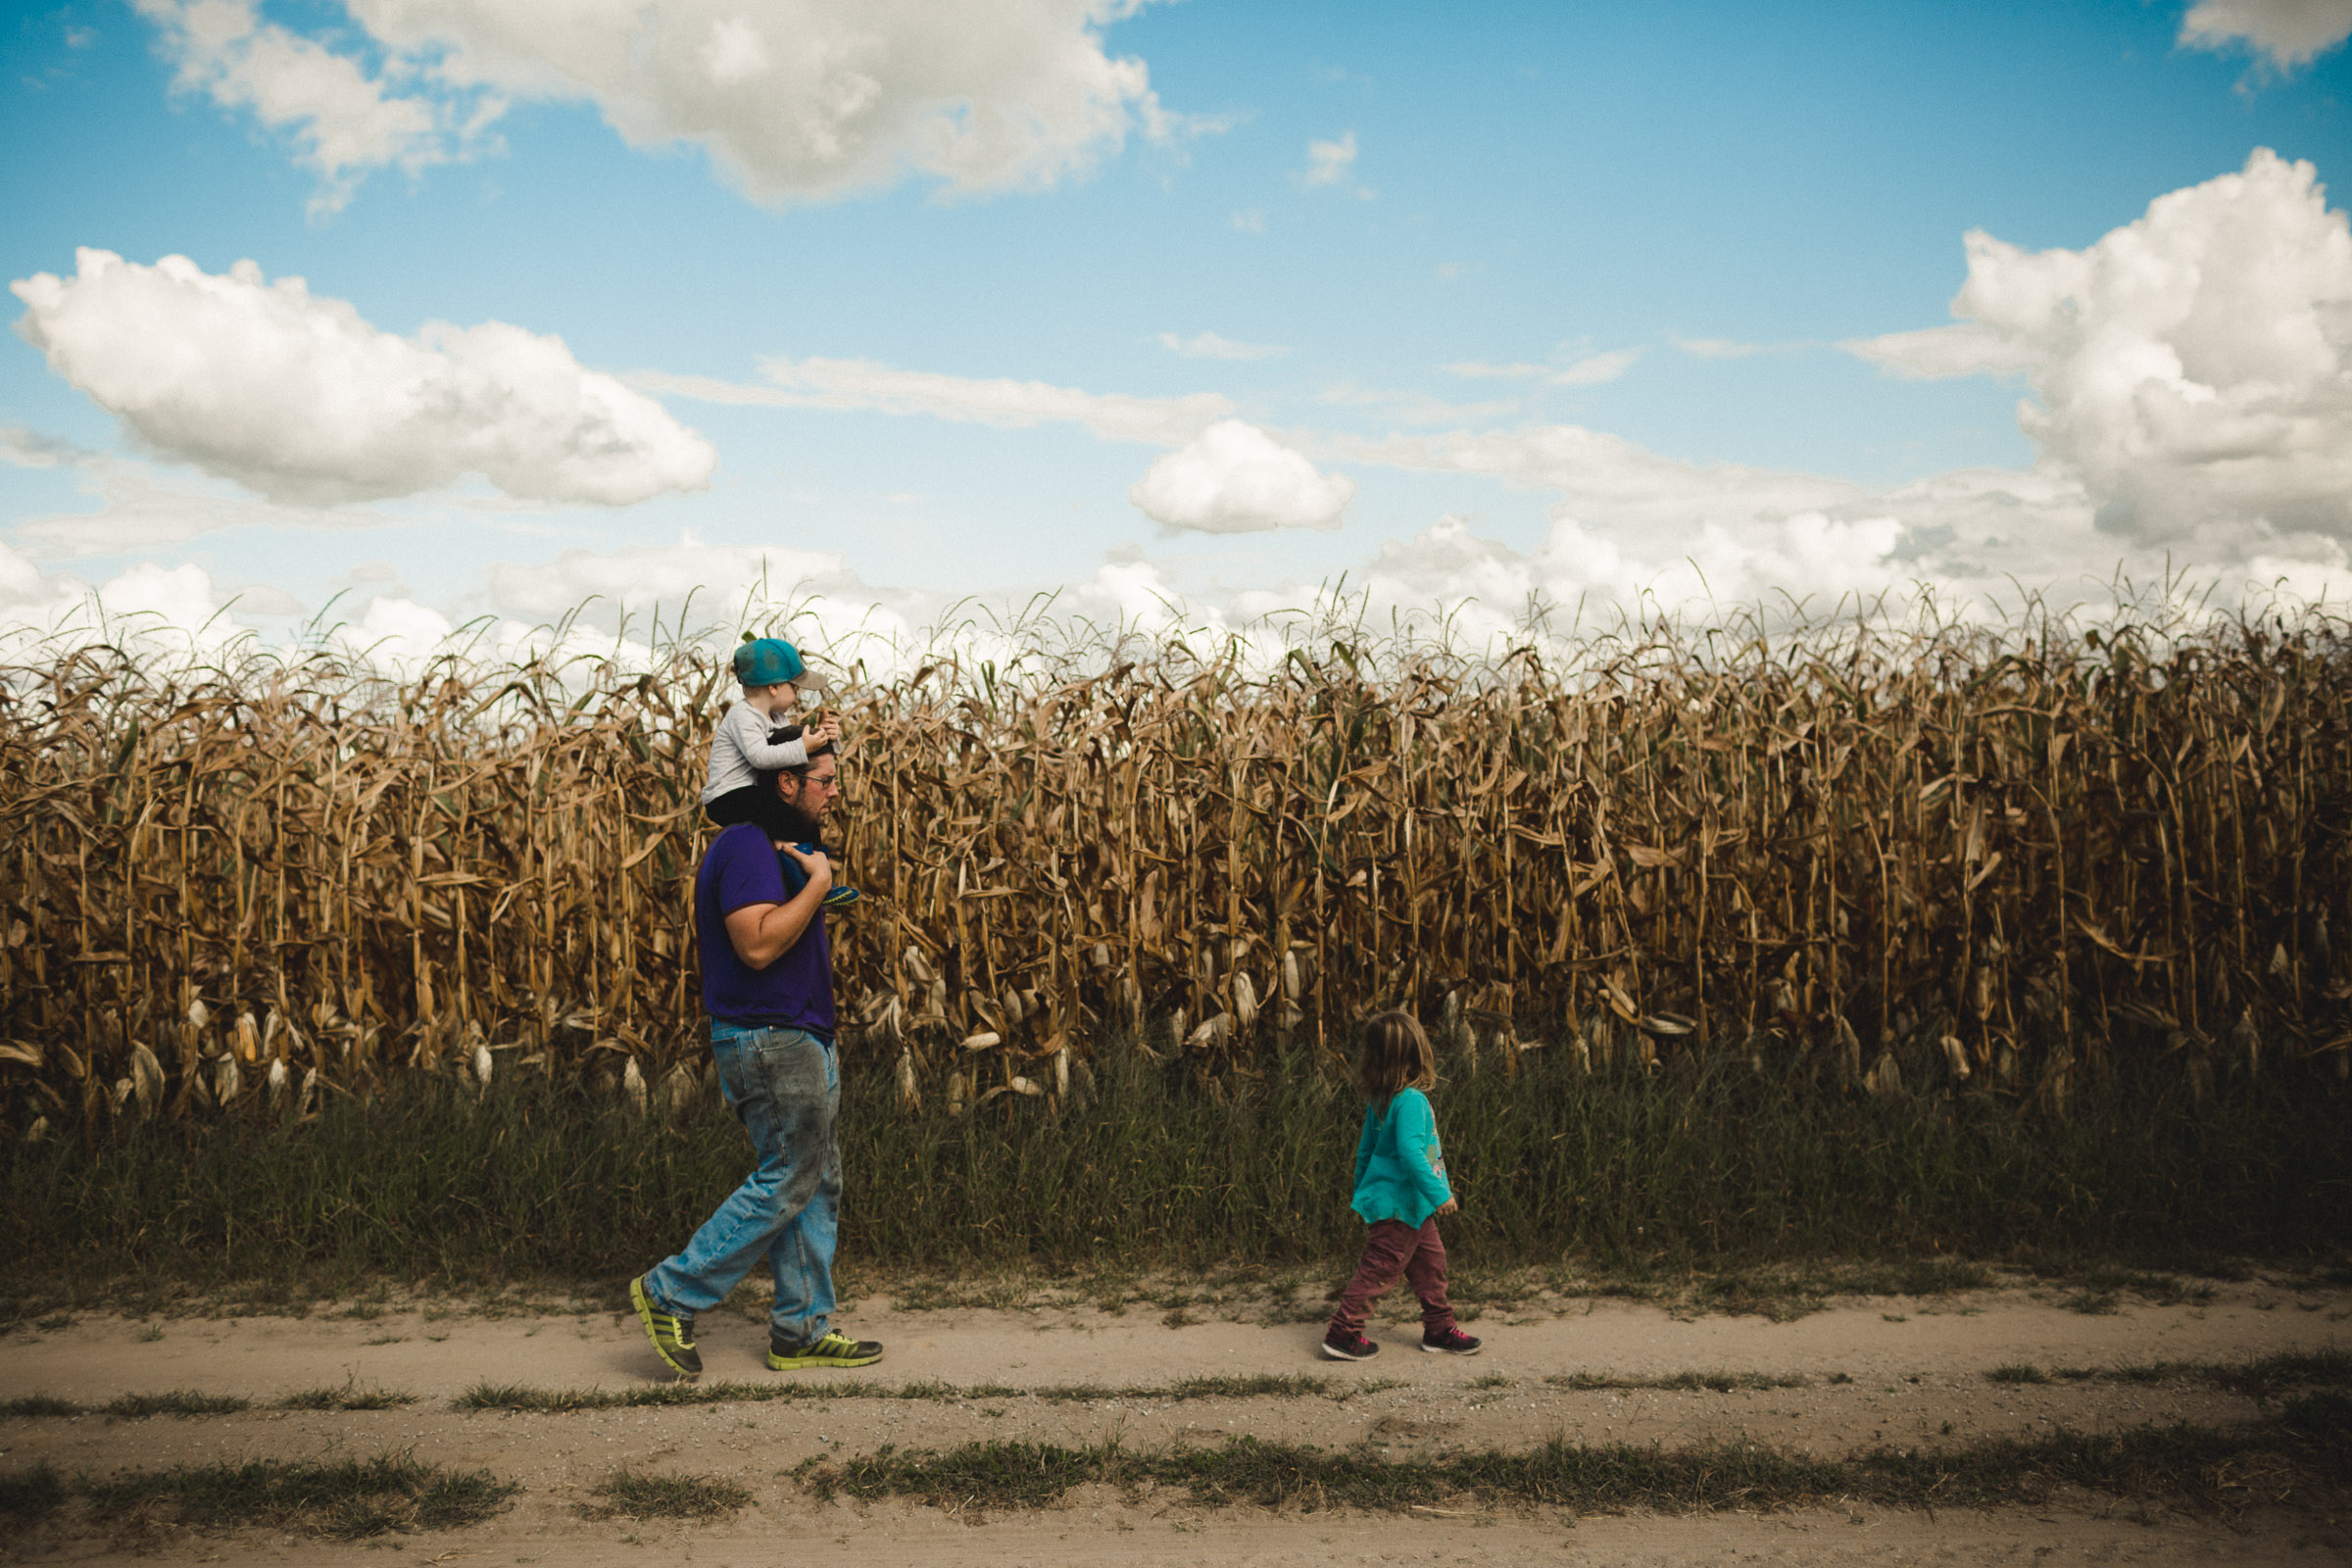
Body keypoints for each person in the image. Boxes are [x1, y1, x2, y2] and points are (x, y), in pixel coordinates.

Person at [629, 741, 883, 1376]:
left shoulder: (776, 846)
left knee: (815, 1179)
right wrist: (820, 885)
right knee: (790, 1176)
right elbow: (758, 945)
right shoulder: (744, 844)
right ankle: (670, 1292)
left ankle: (800, 1329)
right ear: (786, 783)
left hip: (801, 1035)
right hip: (770, 1037)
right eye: (823, 780)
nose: (833, 792)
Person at [1319, 1010, 1483, 1360]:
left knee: (1431, 1265)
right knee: (1379, 1268)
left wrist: (1364, 1190)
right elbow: (1411, 1154)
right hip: (1403, 1205)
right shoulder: (1411, 1101)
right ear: (1417, 1054)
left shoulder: (1381, 1099)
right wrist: (1440, 1194)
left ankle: (1439, 1328)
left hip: (1411, 1206)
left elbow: (1365, 1152)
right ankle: (1343, 1333)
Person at [704, 635, 857, 909]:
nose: (798, 694)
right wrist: (802, 745)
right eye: (795, 688)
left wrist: (828, 739)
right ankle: (811, 884)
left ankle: (815, 875)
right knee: (791, 819)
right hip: (728, 798)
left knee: (800, 820)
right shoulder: (743, 716)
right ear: (774, 687)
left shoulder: (776, 718)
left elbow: (794, 754)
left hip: (750, 792)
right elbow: (762, 757)